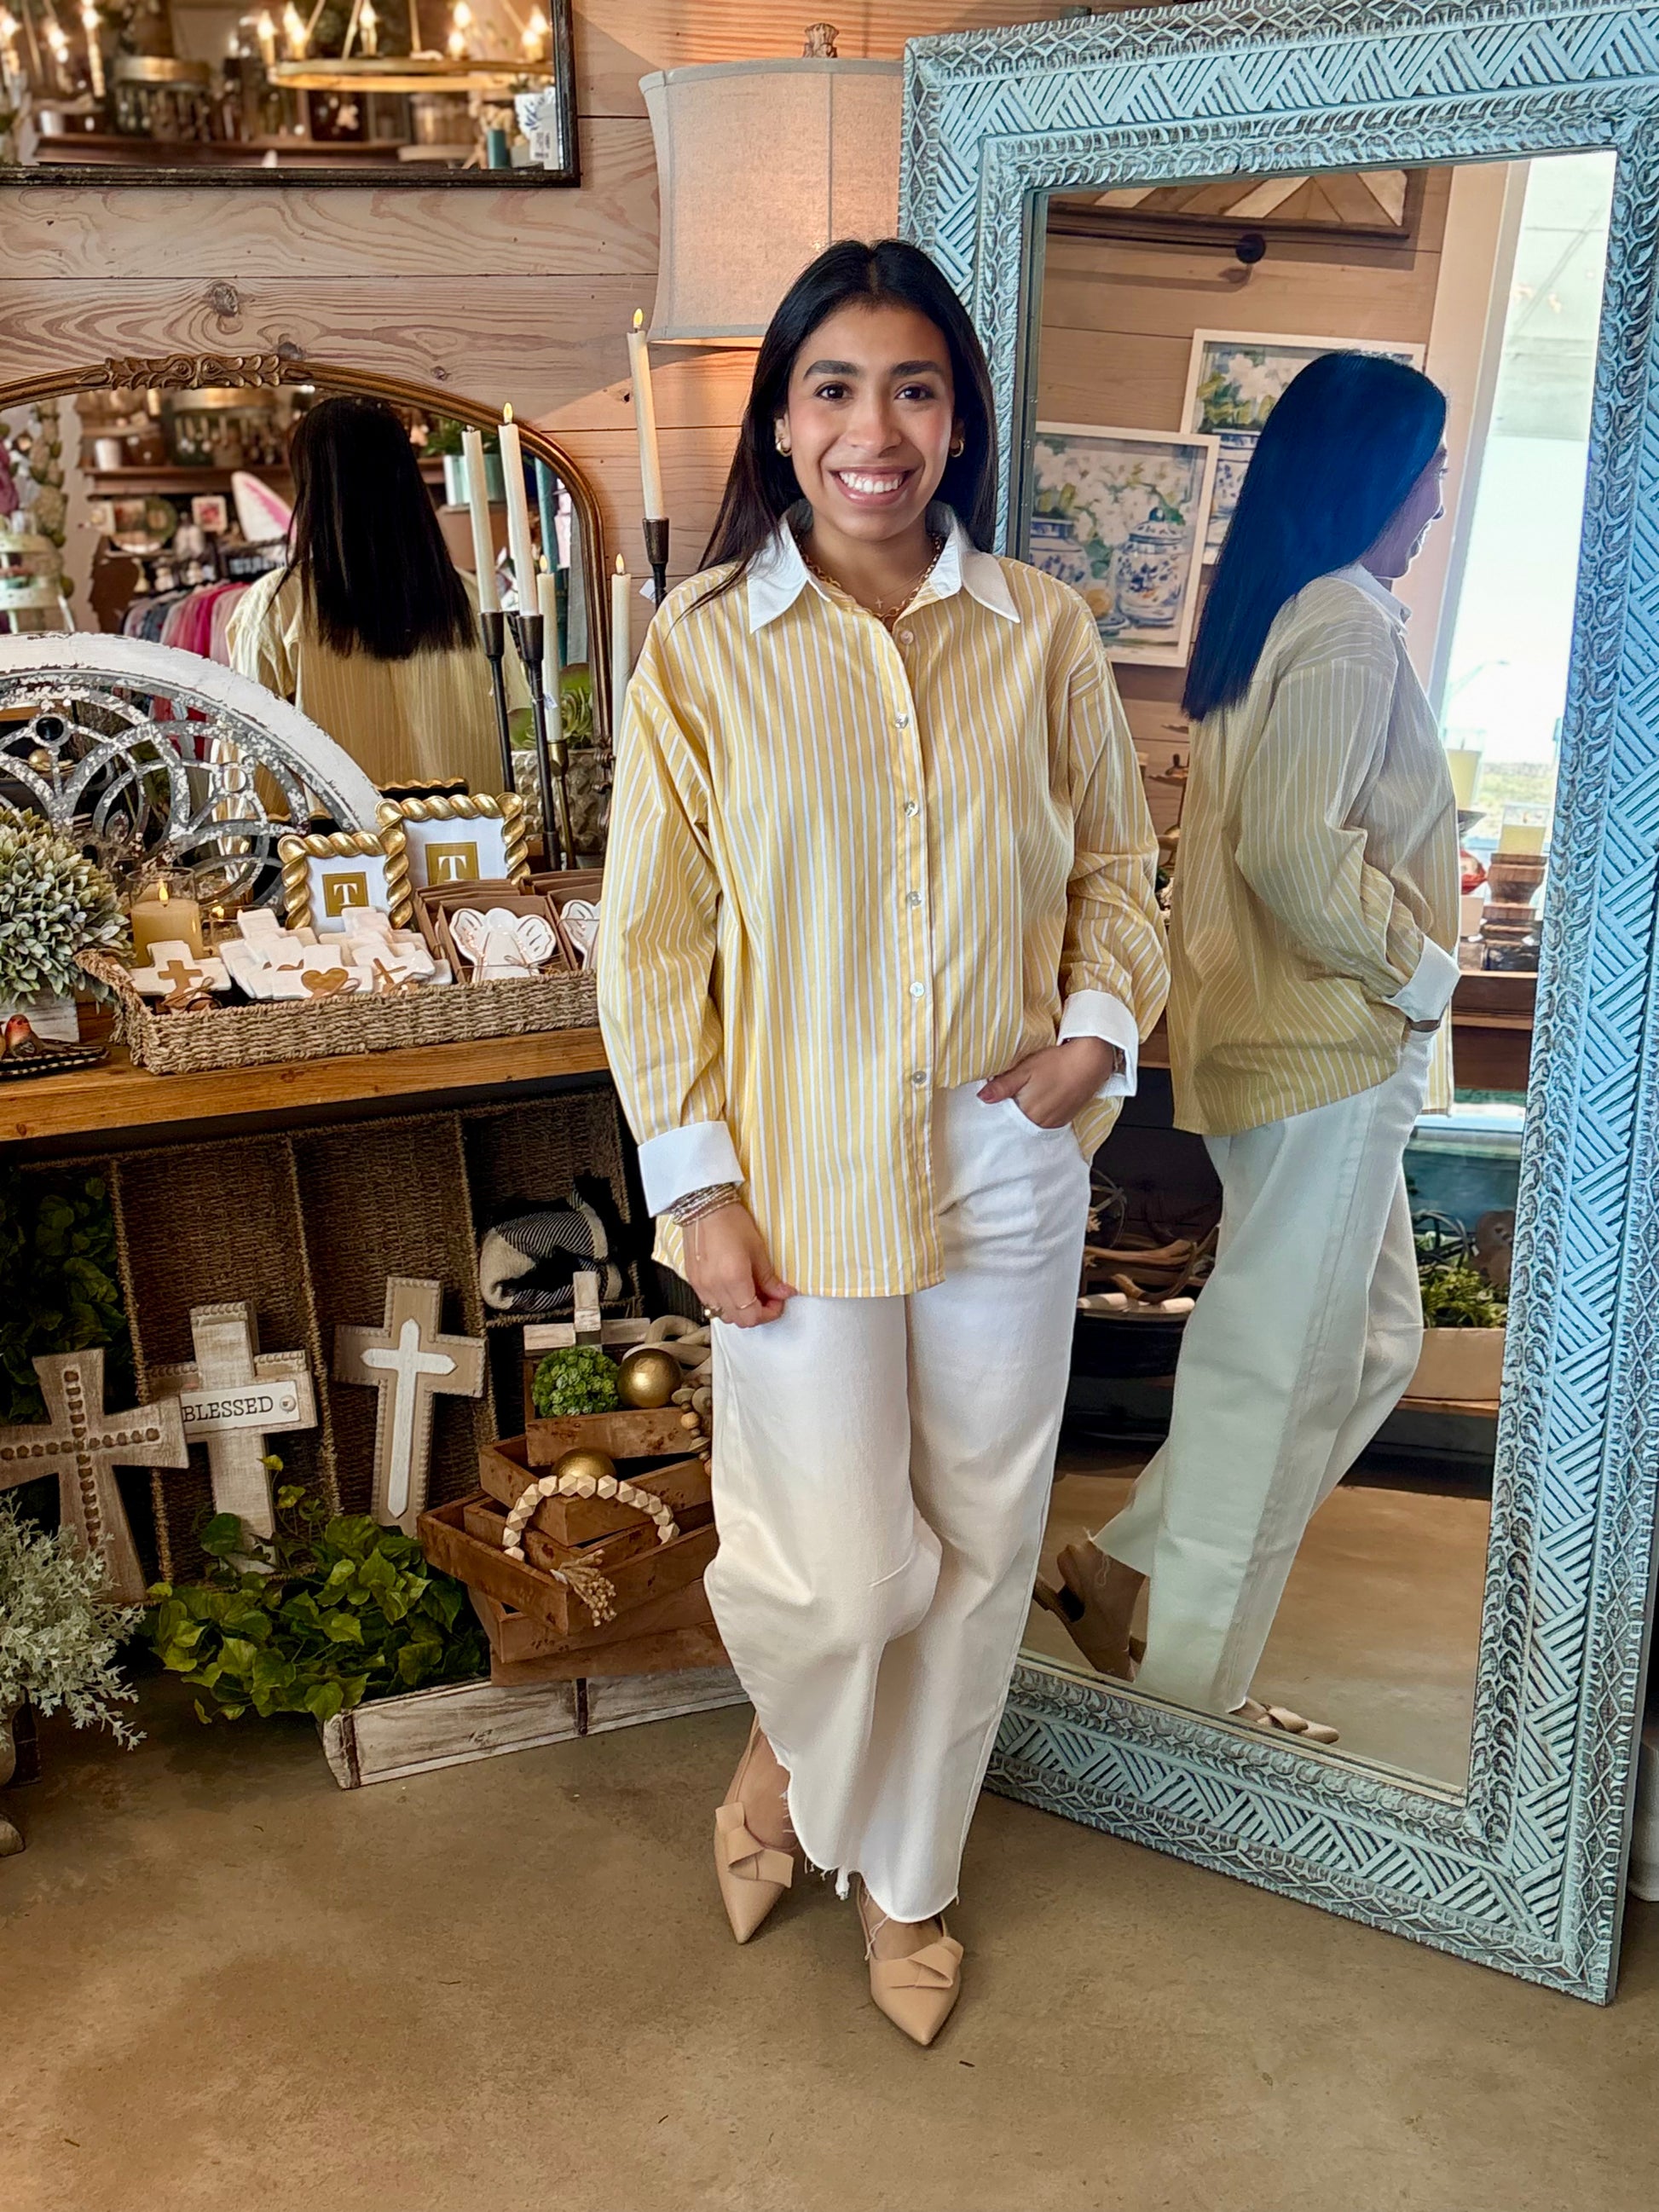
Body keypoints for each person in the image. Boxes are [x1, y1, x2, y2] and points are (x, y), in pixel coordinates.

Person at [597, 239, 1167, 2045]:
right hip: (797, 1175)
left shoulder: (1042, 630)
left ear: (958, 419)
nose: (875, 428)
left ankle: (907, 1873)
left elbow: (1116, 868)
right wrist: (696, 1189)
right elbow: (652, 945)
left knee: (981, 1552)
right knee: (845, 1576)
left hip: (1007, 1152)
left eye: (913, 388)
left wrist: (1094, 1038)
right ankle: (787, 1750)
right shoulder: (702, 651)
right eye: (833, 388)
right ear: (779, 421)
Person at [1042, 351, 1458, 1738]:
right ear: (1375, 475)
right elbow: (1292, 851)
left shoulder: (1285, 605)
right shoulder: (1342, 622)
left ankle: (1119, 1566)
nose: (1438, 494)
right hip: (1328, 1042)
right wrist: (1423, 969)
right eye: (1429, 465)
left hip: (1281, 1038)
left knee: (1368, 1342)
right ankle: (1189, 1693)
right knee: (1279, 1369)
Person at [228, 394, 521, 794]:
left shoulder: (278, 607)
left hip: (343, 836)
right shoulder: (472, 598)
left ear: (311, 486)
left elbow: (249, 775)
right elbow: (520, 740)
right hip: (469, 832)